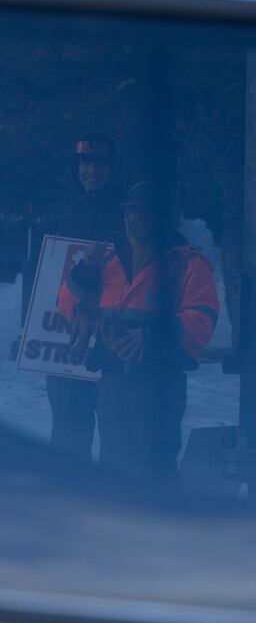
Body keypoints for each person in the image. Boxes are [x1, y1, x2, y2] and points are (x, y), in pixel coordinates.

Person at [57, 180, 218, 481]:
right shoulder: (105, 261)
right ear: (126, 214)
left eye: (150, 211)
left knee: (154, 468)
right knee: (113, 466)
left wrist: (151, 334)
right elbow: (65, 302)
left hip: (160, 385)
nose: (141, 218)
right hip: (113, 383)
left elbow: (203, 321)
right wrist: (82, 288)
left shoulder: (188, 264)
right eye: (134, 211)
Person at [24, 134, 125, 461]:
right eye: (86, 162)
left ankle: (116, 506)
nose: (92, 171)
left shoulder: (128, 216)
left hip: (112, 346)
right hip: (62, 346)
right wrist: (29, 326)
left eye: (101, 164)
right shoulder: (56, 214)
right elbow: (38, 275)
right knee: (68, 436)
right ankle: (67, 503)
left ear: (113, 168)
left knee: (117, 437)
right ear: (76, 166)